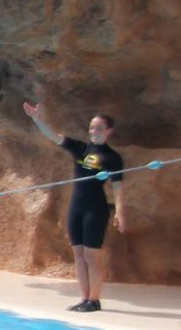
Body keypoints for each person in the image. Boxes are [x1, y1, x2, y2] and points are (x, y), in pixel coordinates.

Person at [22, 102, 128, 312]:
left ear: (108, 131)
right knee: (78, 254)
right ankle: (84, 298)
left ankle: (95, 300)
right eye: (91, 128)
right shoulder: (81, 149)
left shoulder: (113, 158)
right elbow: (54, 136)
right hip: (76, 207)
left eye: (98, 128)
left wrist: (121, 213)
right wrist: (37, 120)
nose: (93, 132)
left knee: (91, 256)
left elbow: (118, 187)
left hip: (95, 209)